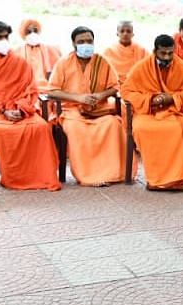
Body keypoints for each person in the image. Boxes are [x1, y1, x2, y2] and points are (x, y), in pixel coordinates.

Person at [0, 20, 62, 191]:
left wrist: (21, 107)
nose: (3, 40)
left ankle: (43, 177)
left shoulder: (19, 61)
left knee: (42, 128)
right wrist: (4, 110)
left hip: (23, 109)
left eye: (6, 36)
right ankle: (14, 179)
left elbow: (31, 89)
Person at [44, 26, 124, 186]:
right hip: (70, 110)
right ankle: (88, 176)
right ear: (73, 44)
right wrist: (79, 98)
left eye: (89, 41)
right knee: (76, 129)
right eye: (81, 41)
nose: (86, 44)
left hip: (98, 109)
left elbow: (115, 86)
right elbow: (52, 91)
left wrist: (100, 96)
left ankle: (111, 173)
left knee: (113, 124)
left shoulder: (102, 61)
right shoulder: (64, 63)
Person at [120, 35, 183, 191]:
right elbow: (126, 91)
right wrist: (151, 99)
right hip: (146, 112)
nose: (167, 57)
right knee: (143, 129)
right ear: (155, 51)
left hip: (172, 111)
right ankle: (158, 179)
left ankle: (178, 177)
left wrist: (172, 98)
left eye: (170, 53)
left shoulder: (182, 67)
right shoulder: (141, 67)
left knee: (182, 128)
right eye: (163, 53)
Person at [15, 18, 62, 90]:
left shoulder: (50, 49)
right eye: (29, 32)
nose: (33, 34)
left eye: (35, 30)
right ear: (23, 33)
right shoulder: (17, 51)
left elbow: (57, 74)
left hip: (46, 87)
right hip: (24, 88)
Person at [102, 20, 148, 84]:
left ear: (133, 34)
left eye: (128, 31)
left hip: (136, 85)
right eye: (122, 31)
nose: (125, 34)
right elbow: (103, 72)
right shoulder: (109, 51)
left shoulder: (142, 50)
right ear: (117, 33)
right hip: (115, 85)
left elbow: (148, 70)